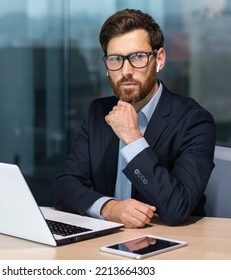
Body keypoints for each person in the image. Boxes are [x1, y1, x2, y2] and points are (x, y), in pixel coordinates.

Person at [52, 9, 216, 227]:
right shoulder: (98, 112)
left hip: (170, 245)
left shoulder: (194, 121)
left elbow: (178, 208)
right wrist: (109, 208)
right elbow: (64, 185)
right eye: (115, 59)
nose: (126, 70)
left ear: (159, 59)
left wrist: (133, 138)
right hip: (108, 239)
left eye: (138, 57)